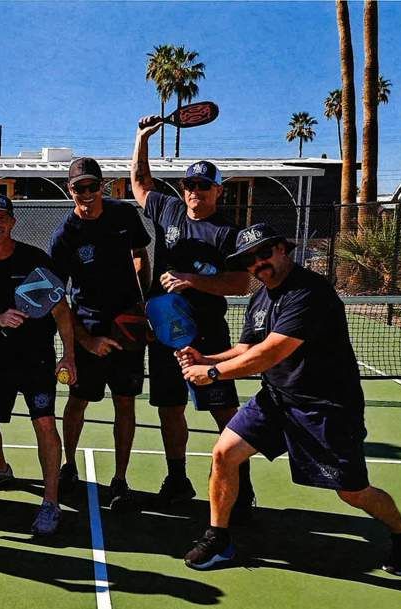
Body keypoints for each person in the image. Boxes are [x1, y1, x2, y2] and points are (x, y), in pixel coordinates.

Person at [178, 223, 401, 575]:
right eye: (248, 260)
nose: (257, 263)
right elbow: (247, 348)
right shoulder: (260, 298)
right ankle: (219, 538)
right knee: (224, 453)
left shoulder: (309, 292)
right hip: (276, 399)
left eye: (263, 253)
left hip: (325, 407)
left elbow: (269, 353)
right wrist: (207, 358)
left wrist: (213, 373)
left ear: (282, 249)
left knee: (352, 492)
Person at [131, 116, 254, 516]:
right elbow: (140, 183)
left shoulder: (228, 233)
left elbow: (241, 283)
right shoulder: (169, 210)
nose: (194, 191)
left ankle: (242, 487)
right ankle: (177, 479)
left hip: (208, 336)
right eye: (189, 185)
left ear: (218, 190)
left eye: (203, 185)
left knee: (223, 411)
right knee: (169, 408)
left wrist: (192, 281)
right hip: (166, 334)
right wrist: (141, 138)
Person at [0, 194, 77, 535]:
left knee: (45, 424)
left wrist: (68, 355)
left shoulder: (34, 260)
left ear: (12, 222)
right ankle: (1, 469)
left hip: (37, 358)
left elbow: (62, 312)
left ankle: (50, 503)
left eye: (2, 218)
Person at [49, 157, 151, 511]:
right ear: (70, 190)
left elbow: (140, 254)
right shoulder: (64, 236)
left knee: (125, 402)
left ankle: (120, 479)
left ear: (103, 185)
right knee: (77, 402)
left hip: (128, 329)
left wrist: (142, 304)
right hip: (88, 327)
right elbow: (57, 298)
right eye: (80, 188)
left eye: (93, 186)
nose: (88, 193)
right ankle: (69, 465)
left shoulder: (124, 215)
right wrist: (86, 340)